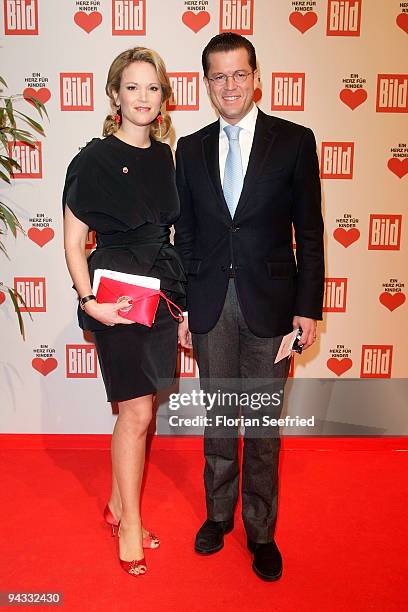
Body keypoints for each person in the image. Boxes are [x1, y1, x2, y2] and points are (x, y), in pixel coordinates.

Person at [175, 33, 324, 581]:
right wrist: (187, 306)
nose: (229, 85)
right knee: (219, 419)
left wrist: (308, 306)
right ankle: (218, 516)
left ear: (256, 77)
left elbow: (309, 230)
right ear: (207, 84)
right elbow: (185, 234)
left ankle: (261, 531)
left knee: (261, 424)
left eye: (238, 74)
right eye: (218, 76)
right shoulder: (188, 149)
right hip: (211, 305)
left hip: (273, 307)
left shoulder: (294, 141)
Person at [63, 47, 186, 577]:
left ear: (163, 97)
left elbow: (174, 235)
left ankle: (117, 505)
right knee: (135, 412)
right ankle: (131, 524)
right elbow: (72, 244)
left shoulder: (168, 158)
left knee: (144, 411)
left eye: (153, 88)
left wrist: (180, 304)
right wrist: (90, 302)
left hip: (159, 295)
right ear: (114, 95)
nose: (143, 98)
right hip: (115, 298)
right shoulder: (89, 161)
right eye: (132, 87)